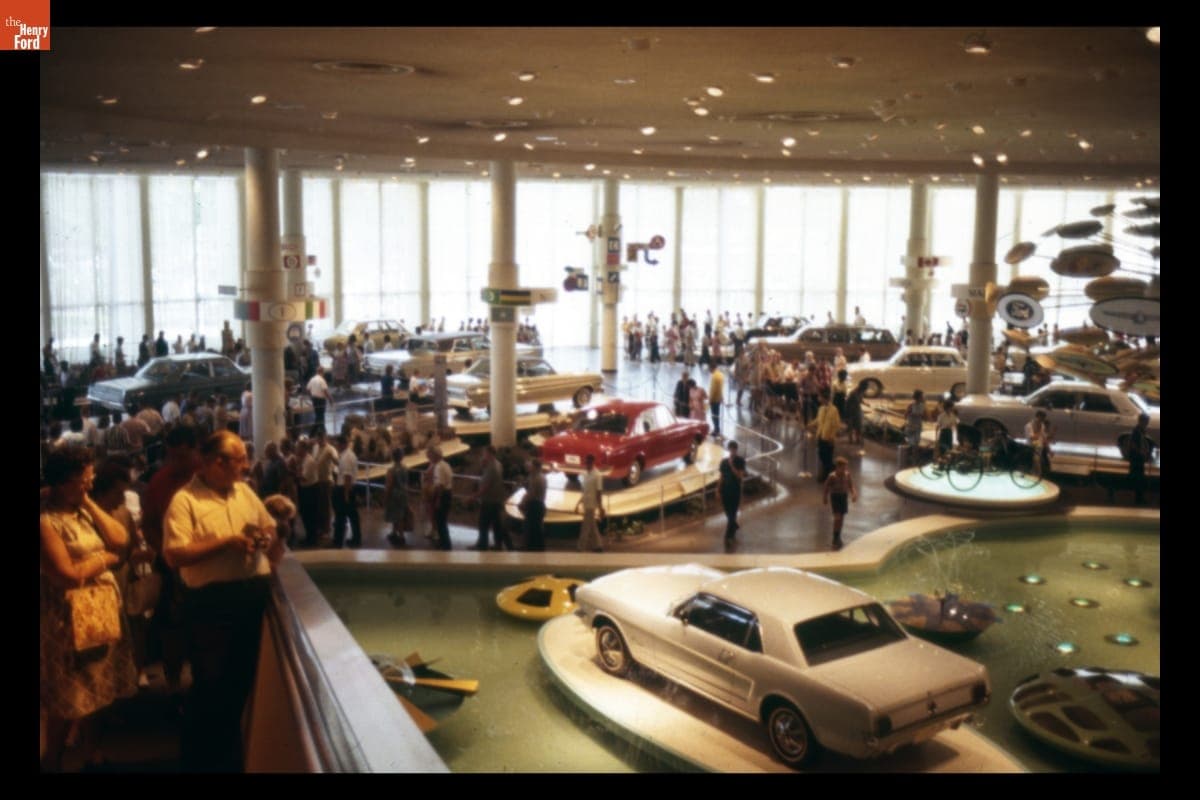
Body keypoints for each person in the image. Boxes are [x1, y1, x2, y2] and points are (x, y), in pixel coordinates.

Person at [163, 430, 282, 772]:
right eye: (240, 460)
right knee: (211, 687)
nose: (246, 466)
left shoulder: (244, 492)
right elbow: (175, 555)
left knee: (240, 684)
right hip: (211, 606)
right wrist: (226, 543)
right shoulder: (185, 501)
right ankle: (201, 760)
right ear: (216, 463)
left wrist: (264, 537)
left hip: (250, 599)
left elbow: (269, 526)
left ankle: (230, 757)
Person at [40, 446, 138, 772]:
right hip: (65, 619)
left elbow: (120, 538)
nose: (90, 481)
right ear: (64, 481)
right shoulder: (46, 521)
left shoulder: (81, 510)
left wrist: (88, 503)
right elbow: (66, 575)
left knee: (96, 688)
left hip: (98, 611)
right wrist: (104, 560)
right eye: (84, 478)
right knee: (68, 696)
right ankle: (52, 758)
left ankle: (90, 752)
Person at [472, 445, 513, 551]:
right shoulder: (497, 464)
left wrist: (474, 496)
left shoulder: (492, 467)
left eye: (484, 453)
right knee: (497, 524)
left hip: (489, 500)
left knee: (483, 524)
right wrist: (483, 465)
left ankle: (482, 545)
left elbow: (486, 486)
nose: (483, 455)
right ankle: (500, 545)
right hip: (496, 499)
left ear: (489, 453)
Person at [331, 433, 361, 548]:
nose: (336, 446)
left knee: (340, 516)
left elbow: (347, 477)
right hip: (347, 488)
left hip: (345, 489)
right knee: (352, 516)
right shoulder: (347, 455)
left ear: (342, 444)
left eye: (337, 444)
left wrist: (346, 495)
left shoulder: (347, 457)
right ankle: (355, 538)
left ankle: (338, 541)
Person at [823, 456, 858, 551]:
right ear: (837, 467)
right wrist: (825, 497)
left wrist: (854, 493)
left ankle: (838, 535)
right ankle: (834, 538)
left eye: (845, 467)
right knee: (837, 517)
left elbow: (851, 485)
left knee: (841, 518)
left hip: (843, 497)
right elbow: (826, 487)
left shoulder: (847, 475)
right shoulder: (832, 476)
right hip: (835, 497)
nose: (844, 469)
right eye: (842, 467)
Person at [717, 441, 746, 549]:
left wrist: (732, 466)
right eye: (730, 449)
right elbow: (721, 476)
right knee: (727, 511)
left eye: (734, 449)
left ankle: (728, 536)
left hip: (735, 490)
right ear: (729, 449)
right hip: (725, 490)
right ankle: (734, 525)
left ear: (736, 450)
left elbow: (740, 476)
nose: (732, 451)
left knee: (732, 513)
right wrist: (718, 489)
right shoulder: (723, 462)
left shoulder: (740, 461)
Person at [574, 454, 605, 552]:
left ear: (592, 462)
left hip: (592, 504)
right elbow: (584, 491)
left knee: (585, 527)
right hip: (586, 503)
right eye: (586, 462)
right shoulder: (584, 474)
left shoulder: (597, 475)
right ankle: (598, 545)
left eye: (588, 462)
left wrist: (600, 507)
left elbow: (598, 492)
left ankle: (581, 547)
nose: (586, 464)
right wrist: (578, 503)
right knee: (592, 525)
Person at [425, 445, 454, 550]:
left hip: (442, 495)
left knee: (441, 522)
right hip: (448, 494)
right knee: (442, 521)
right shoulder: (446, 465)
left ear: (434, 455)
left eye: (430, 456)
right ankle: (443, 542)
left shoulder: (438, 467)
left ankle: (445, 544)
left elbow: (440, 485)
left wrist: (438, 499)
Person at [384, 448, 412, 547]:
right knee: (400, 514)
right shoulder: (405, 468)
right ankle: (395, 533)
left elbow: (389, 485)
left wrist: (386, 497)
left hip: (394, 494)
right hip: (403, 493)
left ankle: (400, 536)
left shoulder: (391, 470)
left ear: (392, 457)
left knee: (395, 515)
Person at [1126, 413, 1155, 504]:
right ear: (1142, 421)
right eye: (1146, 422)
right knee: (1138, 478)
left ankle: (1139, 498)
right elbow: (1133, 445)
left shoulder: (1141, 431)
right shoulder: (1137, 431)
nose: (1147, 424)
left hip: (1139, 458)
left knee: (1140, 478)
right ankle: (1138, 499)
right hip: (1136, 458)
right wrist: (1141, 452)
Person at [812, 390, 842, 481]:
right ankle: (830, 473)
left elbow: (836, 425)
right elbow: (818, 420)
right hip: (821, 436)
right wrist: (810, 424)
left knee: (827, 457)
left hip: (828, 438)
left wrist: (832, 437)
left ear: (824, 398)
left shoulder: (834, 410)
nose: (818, 398)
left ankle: (829, 475)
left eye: (819, 397)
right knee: (822, 455)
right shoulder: (821, 409)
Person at [520, 458, 548, 551]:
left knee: (531, 528)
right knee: (538, 529)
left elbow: (531, 493)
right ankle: (539, 548)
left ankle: (530, 548)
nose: (530, 468)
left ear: (535, 467)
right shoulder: (542, 477)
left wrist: (523, 502)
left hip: (534, 506)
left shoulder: (536, 478)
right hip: (540, 505)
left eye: (531, 466)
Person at [1024, 409, 1054, 477]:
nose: (1041, 421)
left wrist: (1049, 450)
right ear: (1037, 417)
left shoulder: (1042, 426)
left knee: (1037, 465)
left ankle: (1036, 477)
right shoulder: (1028, 426)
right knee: (1035, 463)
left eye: (1042, 419)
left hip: (1039, 449)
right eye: (1040, 419)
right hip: (1031, 448)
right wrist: (1039, 431)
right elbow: (1032, 437)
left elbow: (1044, 439)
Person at [904, 390, 926, 467]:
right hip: (911, 427)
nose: (924, 398)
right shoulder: (911, 405)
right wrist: (913, 415)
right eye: (922, 396)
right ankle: (910, 459)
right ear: (918, 397)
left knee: (916, 444)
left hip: (918, 426)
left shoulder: (922, 405)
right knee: (912, 444)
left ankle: (914, 459)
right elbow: (905, 415)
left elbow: (924, 415)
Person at [306, 366, 331, 435]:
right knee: (321, 415)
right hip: (321, 400)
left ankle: (316, 431)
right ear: (322, 372)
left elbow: (307, 389)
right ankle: (321, 431)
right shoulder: (322, 380)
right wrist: (331, 400)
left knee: (318, 415)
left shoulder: (312, 379)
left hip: (314, 399)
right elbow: (325, 391)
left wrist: (311, 396)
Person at [709, 365, 724, 437]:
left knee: (714, 415)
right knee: (716, 415)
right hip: (718, 398)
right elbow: (720, 388)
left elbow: (713, 389)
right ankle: (717, 429)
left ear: (712, 368)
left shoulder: (714, 376)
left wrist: (710, 399)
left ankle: (716, 430)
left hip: (714, 399)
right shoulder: (721, 375)